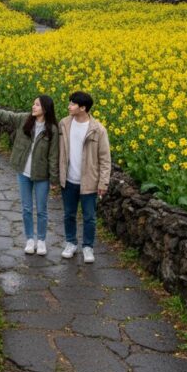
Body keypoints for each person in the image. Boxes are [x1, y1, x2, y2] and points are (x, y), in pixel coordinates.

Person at [0, 96, 59, 255]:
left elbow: (53, 156)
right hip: (23, 172)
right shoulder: (24, 120)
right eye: (33, 104)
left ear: (45, 108)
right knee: (26, 208)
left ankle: (41, 241)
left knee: (41, 210)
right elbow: (7, 115)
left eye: (37, 105)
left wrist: (54, 179)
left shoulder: (52, 129)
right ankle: (29, 239)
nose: (33, 107)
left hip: (42, 175)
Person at [58, 91, 111, 264]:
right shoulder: (64, 124)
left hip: (89, 182)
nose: (69, 106)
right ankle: (71, 243)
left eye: (72, 104)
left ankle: (88, 247)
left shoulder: (98, 129)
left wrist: (103, 182)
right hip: (69, 180)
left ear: (83, 108)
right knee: (69, 214)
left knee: (89, 217)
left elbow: (105, 159)